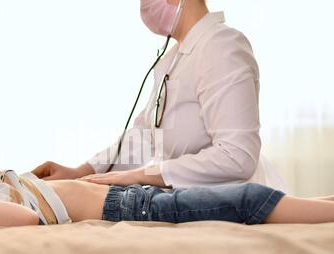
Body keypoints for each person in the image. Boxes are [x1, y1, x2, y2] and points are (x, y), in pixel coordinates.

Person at [32, 0, 287, 192]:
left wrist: (145, 175)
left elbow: (237, 157)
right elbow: (144, 139)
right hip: (188, 204)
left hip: (231, 207)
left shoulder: (221, 46)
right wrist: (79, 172)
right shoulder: (171, 60)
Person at [0, 138, 334, 227]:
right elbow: (24, 221)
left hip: (128, 196)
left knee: (237, 198)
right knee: (242, 199)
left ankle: (319, 203)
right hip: (132, 208)